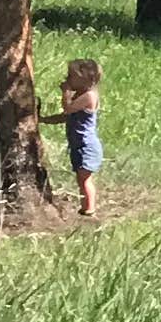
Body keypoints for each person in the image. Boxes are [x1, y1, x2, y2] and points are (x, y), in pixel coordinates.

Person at [59, 56, 104, 220]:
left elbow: (67, 109)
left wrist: (65, 92)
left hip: (86, 145)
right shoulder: (81, 95)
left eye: (71, 76)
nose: (67, 79)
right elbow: (65, 116)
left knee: (84, 179)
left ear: (85, 79)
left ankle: (89, 209)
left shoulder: (90, 96)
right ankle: (85, 207)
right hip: (78, 144)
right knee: (81, 177)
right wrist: (42, 119)